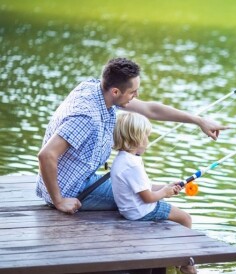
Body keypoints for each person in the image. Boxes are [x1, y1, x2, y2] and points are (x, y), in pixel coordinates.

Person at [37, 57, 226, 215]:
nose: (136, 95)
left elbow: (151, 109)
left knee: (139, 188)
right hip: (71, 190)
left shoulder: (96, 89)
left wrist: (199, 121)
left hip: (80, 178)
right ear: (115, 91)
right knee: (146, 203)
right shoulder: (86, 116)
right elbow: (46, 155)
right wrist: (60, 200)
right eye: (133, 92)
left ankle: (161, 187)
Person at [111, 112, 196, 274]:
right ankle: (185, 262)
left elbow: (144, 186)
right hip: (142, 211)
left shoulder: (123, 159)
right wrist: (165, 192)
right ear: (135, 138)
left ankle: (174, 255)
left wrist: (166, 186)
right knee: (185, 218)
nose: (148, 142)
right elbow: (148, 197)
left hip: (130, 211)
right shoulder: (133, 165)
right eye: (146, 137)